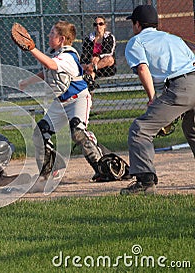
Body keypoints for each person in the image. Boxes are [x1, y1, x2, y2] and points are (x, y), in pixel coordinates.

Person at [18, 20, 129, 183]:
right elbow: (46, 70)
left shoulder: (68, 56)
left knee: (77, 131)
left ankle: (103, 168)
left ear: (62, 39)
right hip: (60, 103)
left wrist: (32, 49)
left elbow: (50, 65)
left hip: (78, 99)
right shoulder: (56, 55)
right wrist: (26, 82)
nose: (49, 36)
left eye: (53, 33)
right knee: (39, 133)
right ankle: (49, 170)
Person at [121, 5, 195, 195]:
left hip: (181, 88)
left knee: (140, 129)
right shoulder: (173, 38)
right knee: (192, 129)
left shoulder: (136, 42)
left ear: (137, 24)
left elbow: (142, 69)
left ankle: (145, 182)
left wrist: (152, 98)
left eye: (133, 23)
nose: (133, 27)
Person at [81, 16, 116, 91]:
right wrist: (89, 62)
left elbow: (109, 52)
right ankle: (90, 84)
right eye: (95, 24)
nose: (98, 26)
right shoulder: (89, 39)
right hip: (90, 64)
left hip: (104, 67)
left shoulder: (109, 37)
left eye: (100, 24)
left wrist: (98, 57)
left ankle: (91, 71)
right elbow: (84, 54)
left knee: (110, 59)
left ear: (104, 25)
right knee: (87, 72)